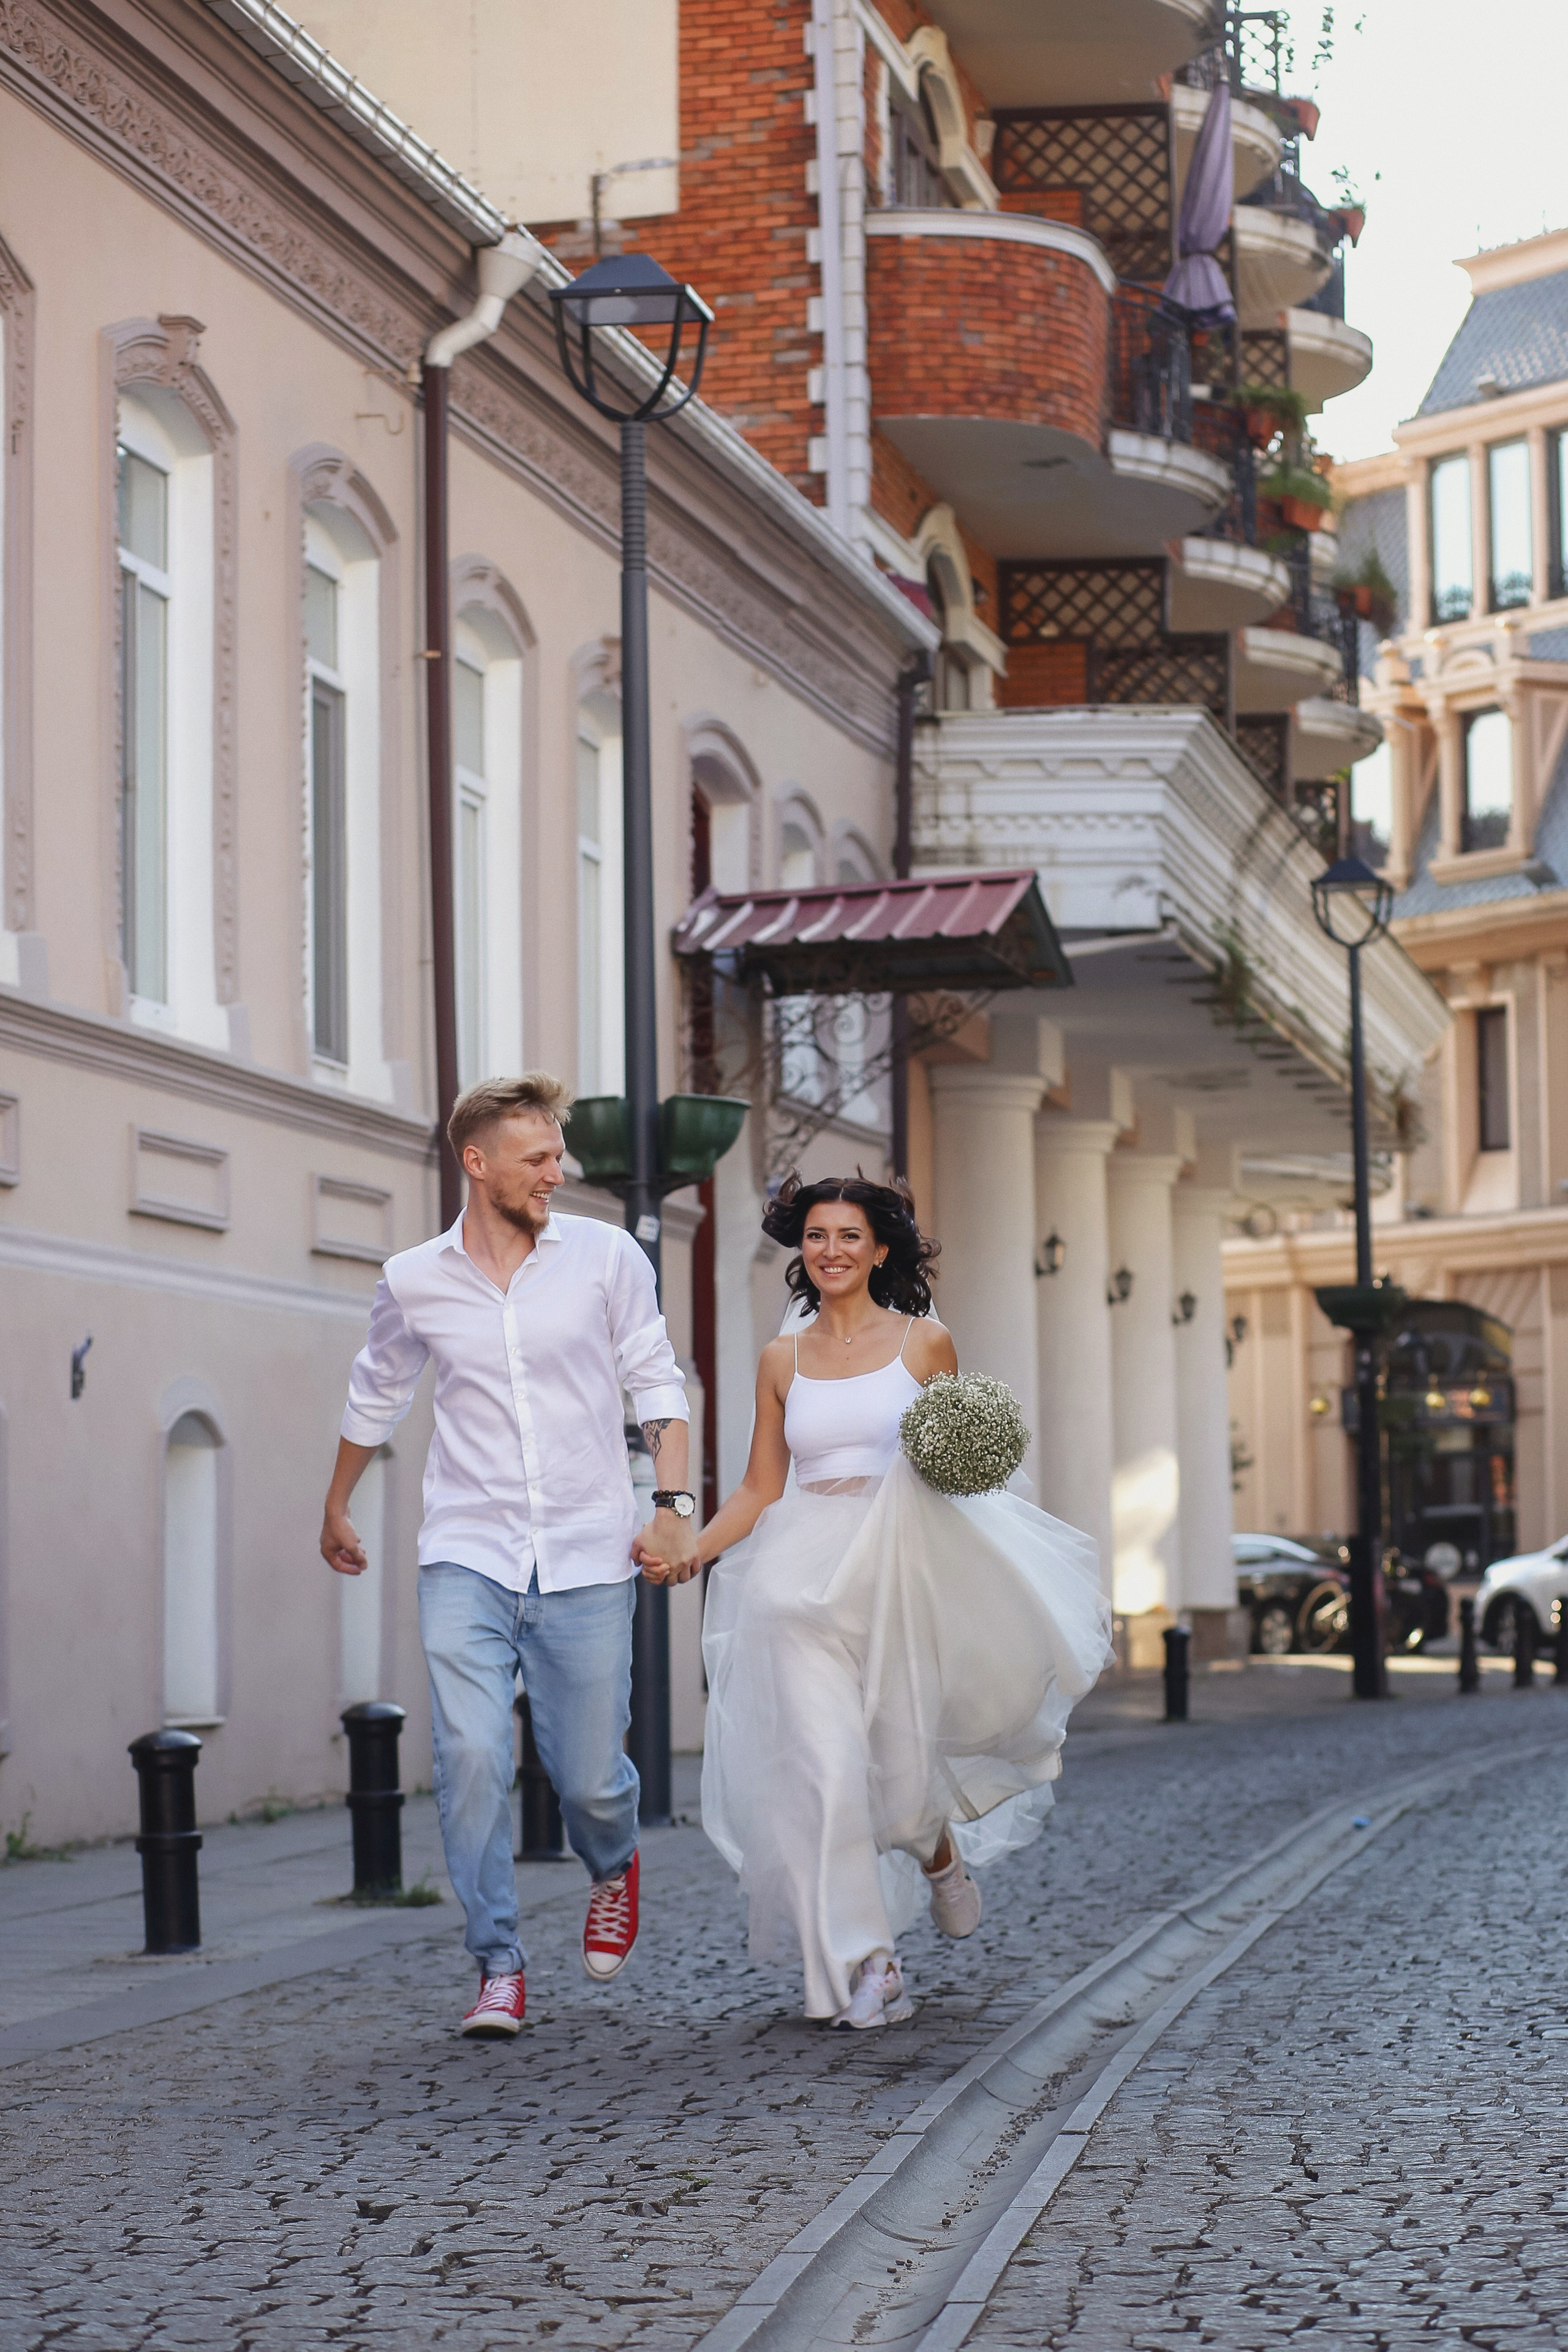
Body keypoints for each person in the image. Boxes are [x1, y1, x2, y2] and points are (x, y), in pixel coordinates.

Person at [638, 1174, 1111, 2030]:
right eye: (816, 1236)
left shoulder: (926, 1345)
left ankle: (938, 1860)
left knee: (898, 1788)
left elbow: (967, 1478)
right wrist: (692, 1551)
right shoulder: (782, 1360)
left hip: (899, 1574)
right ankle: (870, 1962)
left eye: (849, 1236)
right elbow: (756, 1488)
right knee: (822, 1774)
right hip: (797, 1581)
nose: (830, 1251)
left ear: (881, 1248)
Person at [320, 1074, 698, 2038]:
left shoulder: (607, 1258)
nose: (556, 1173)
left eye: (557, 1154)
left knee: (587, 1778)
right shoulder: (415, 1278)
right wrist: (336, 1504)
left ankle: (612, 1866)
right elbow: (378, 1390)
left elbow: (656, 1377)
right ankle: (496, 1961)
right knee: (472, 1753)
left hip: (584, 1548)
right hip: (467, 1547)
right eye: (536, 1158)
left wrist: (673, 1506)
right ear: (476, 1163)